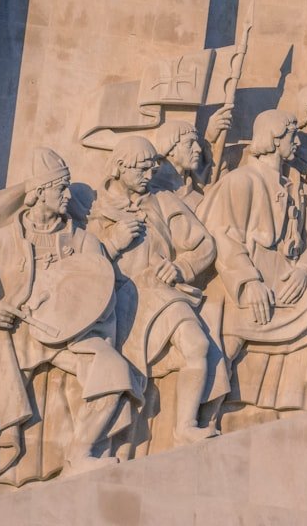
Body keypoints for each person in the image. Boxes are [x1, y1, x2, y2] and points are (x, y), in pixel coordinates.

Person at [0, 149, 135, 487]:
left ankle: (81, 453)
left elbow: (100, 293)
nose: (67, 196)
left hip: (68, 336)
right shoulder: (1, 241)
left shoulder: (84, 241)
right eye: (61, 188)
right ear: (38, 193)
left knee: (114, 369)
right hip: (17, 334)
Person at [197, 110, 307, 411]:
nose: (297, 143)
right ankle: (202, 415)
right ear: (275, 139)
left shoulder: (298, 189)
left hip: (290, 284)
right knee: (225, 348)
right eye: (292, 136)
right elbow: (222, 235)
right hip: (252, 287)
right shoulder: (240, 181)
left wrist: (304, 269)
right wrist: (249, 283)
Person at [89, 136, 228, 453]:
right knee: (122, 378)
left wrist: (181, 267)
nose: (148, 176)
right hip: (119, 303)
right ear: (120, 167)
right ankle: (108, 446)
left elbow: (204, 245)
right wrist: (113, 244)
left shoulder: (163, 201)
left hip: (160, 292)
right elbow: (83, 268)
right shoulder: (96, 211)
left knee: (198, 345)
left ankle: (186, 427)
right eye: (141, 169)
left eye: (152, 169)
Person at [150, 104, 233, 209]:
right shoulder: (152, 191)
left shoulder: (192, 188)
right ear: (170, 149)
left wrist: (211, 139)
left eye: (196, 143)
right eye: (189, 144)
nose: (198, 149)